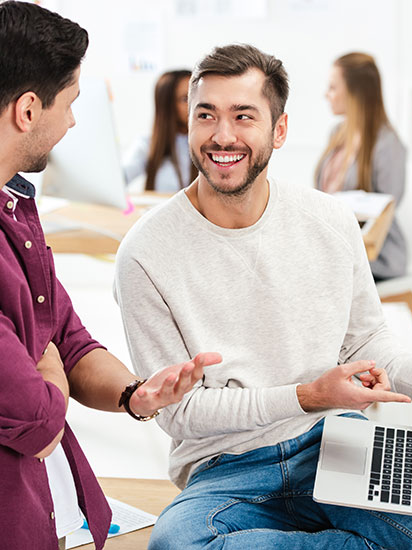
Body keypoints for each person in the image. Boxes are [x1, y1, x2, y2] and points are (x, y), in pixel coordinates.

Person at [114, 44, 412, 549]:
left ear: (279, 130)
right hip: (226, 468)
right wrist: (306, 395)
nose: (222, 135)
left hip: (338, 441)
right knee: (178, 545)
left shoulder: (331, 220)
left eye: (243, 116)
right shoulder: (144, 252)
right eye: (206, 115)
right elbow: (178, 413)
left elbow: (366, 340)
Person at [0, 3, 221, 550]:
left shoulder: (16, 212)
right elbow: (39, 423)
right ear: (29, 110)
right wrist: (48, 371)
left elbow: (67, 339)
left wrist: (133, 395)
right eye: (71, 102)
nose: (73, 122)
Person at [315, 52, 406, 281]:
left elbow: (385, 211)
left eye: (333, 87)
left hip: (376, 256)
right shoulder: (337, 134)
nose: (326, 95)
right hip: (337, 247)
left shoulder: (387, 144)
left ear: (355, 92)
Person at [123, 69, 197, 193]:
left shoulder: (213, 142)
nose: (195, 104)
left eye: (197, 97)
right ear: (167, 105)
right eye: (185, 99)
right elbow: (119, 179)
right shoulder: (147, 144)